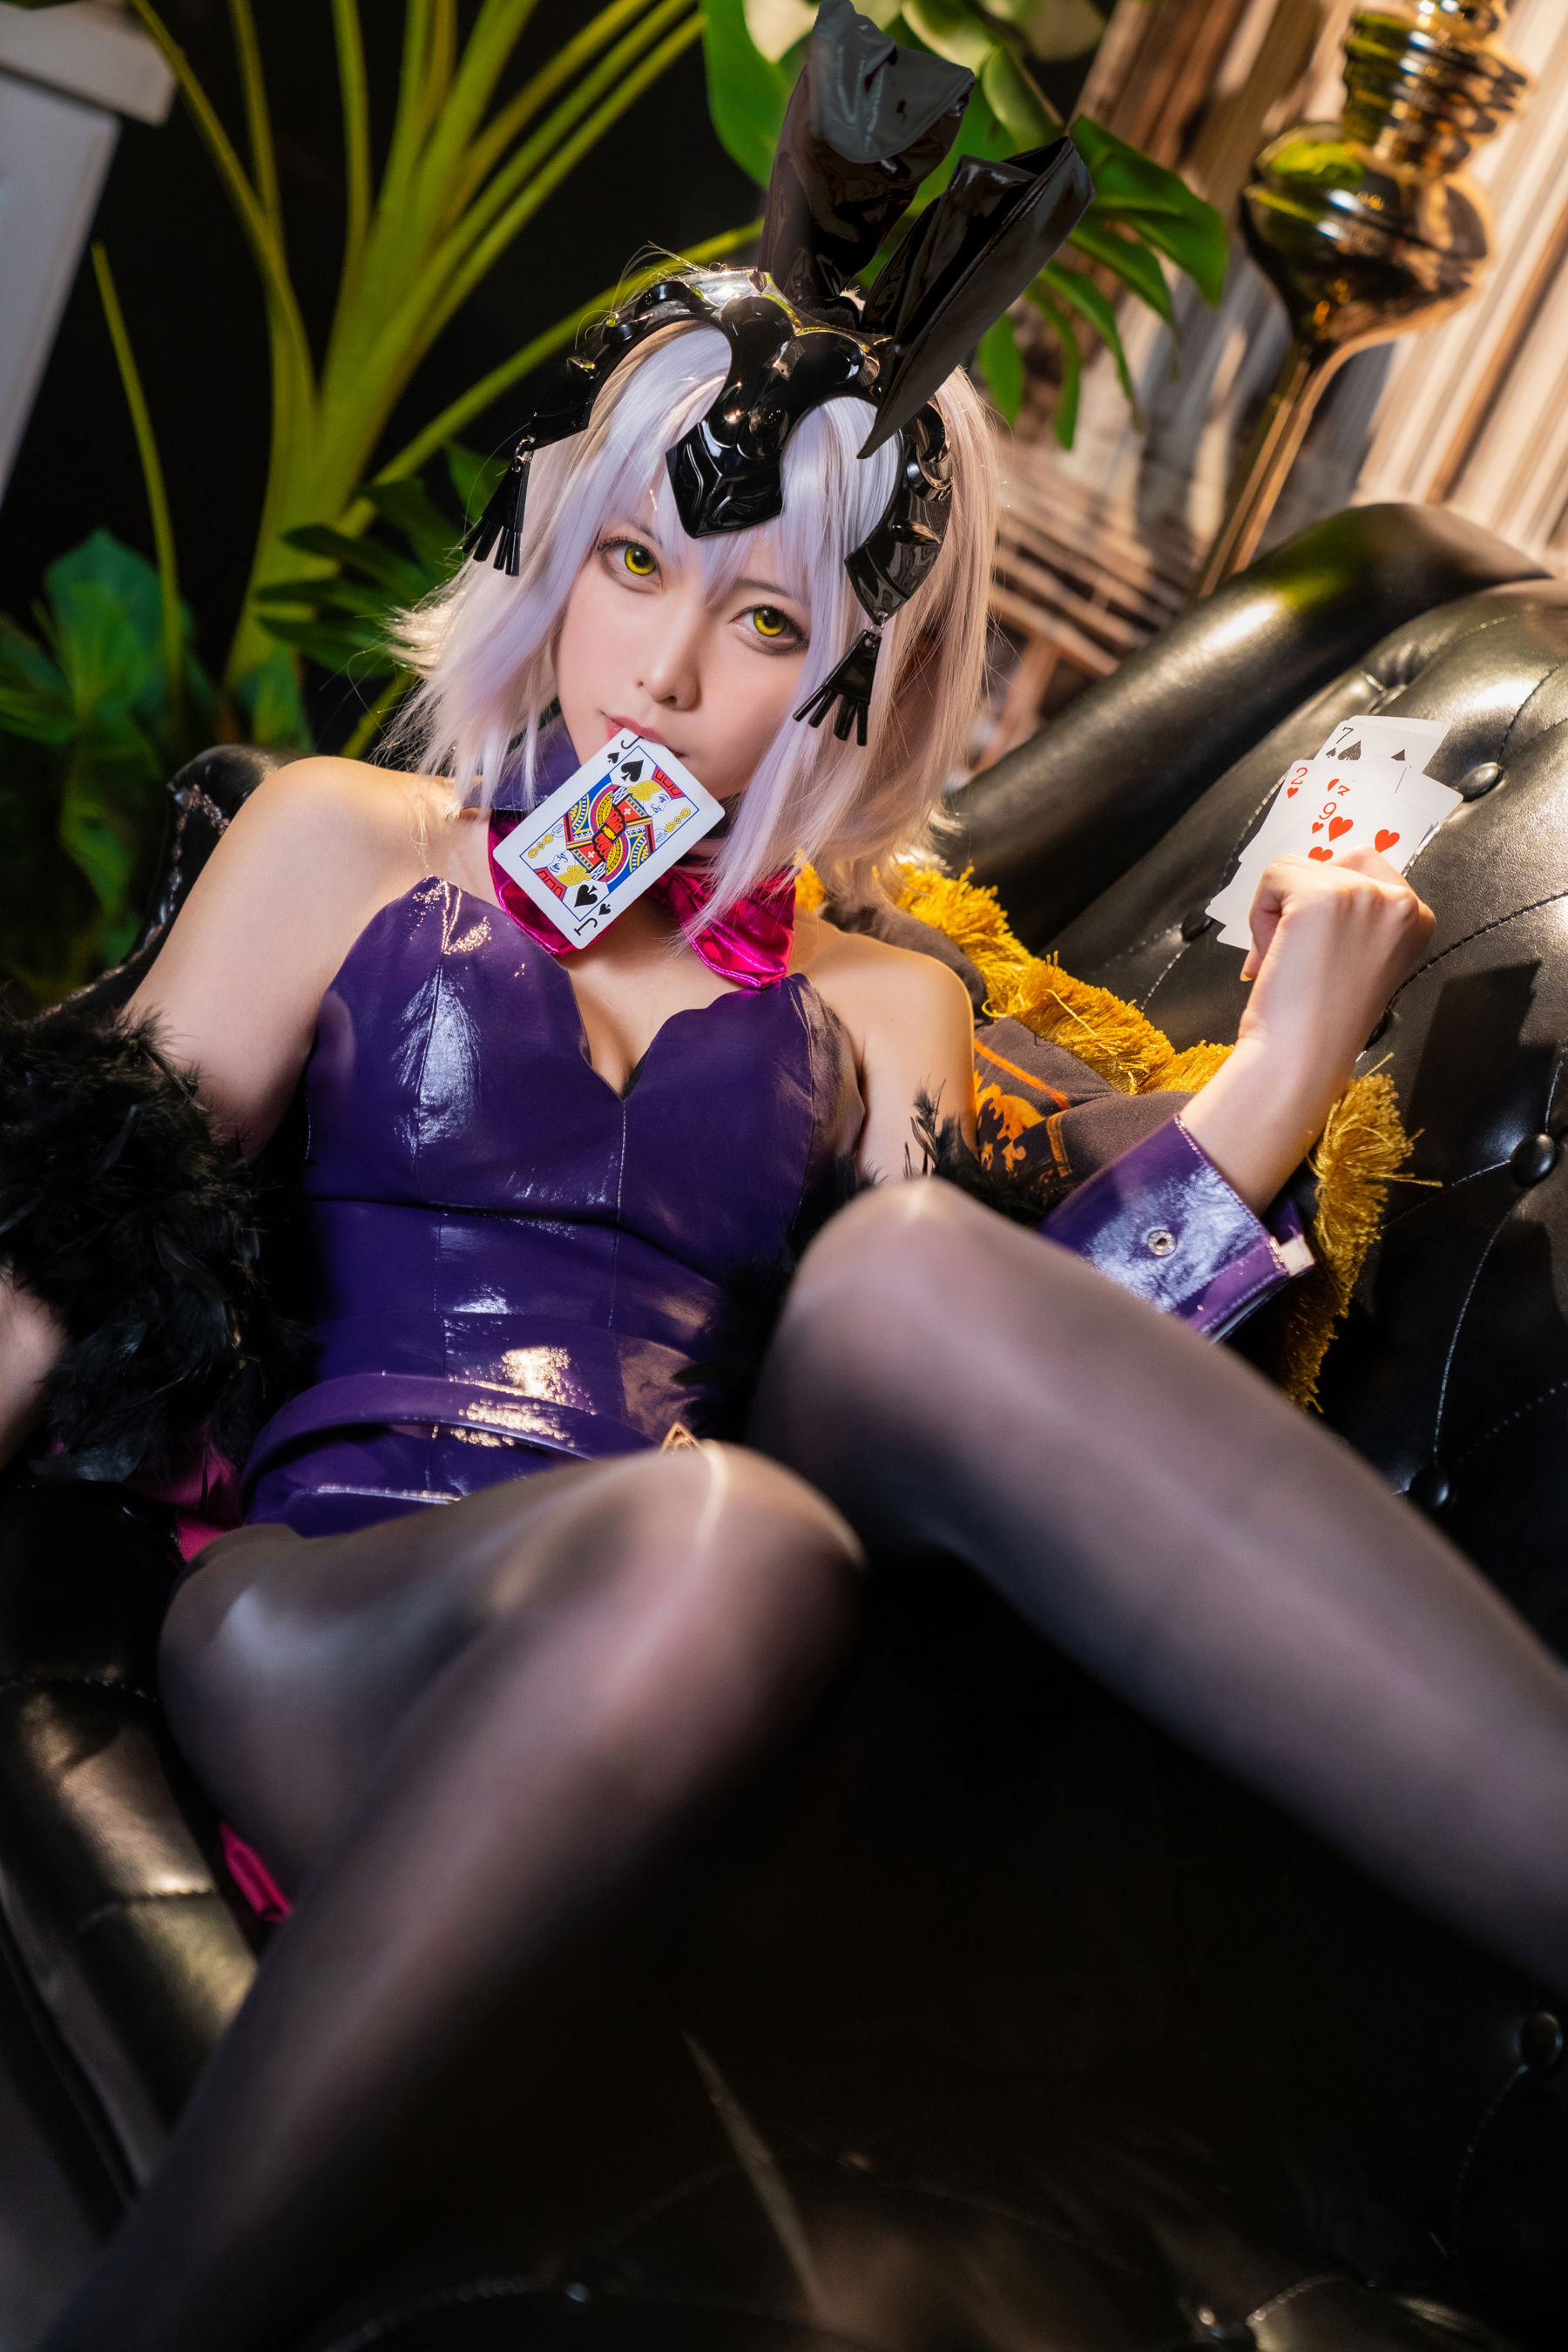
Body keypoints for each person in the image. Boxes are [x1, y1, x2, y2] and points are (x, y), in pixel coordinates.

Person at [5, 10, 1568, 2346]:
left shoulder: (885, 1002)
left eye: (763, 623)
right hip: (340, 1634)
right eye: (636, 563)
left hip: (735, 1683)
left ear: (856, 684)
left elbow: (1025, 1419)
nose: (665, 671)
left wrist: (1285, 1067)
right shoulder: (355, 840)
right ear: (555, 554)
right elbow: (69, 1233)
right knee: (716, 1532)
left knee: (885, 1312)